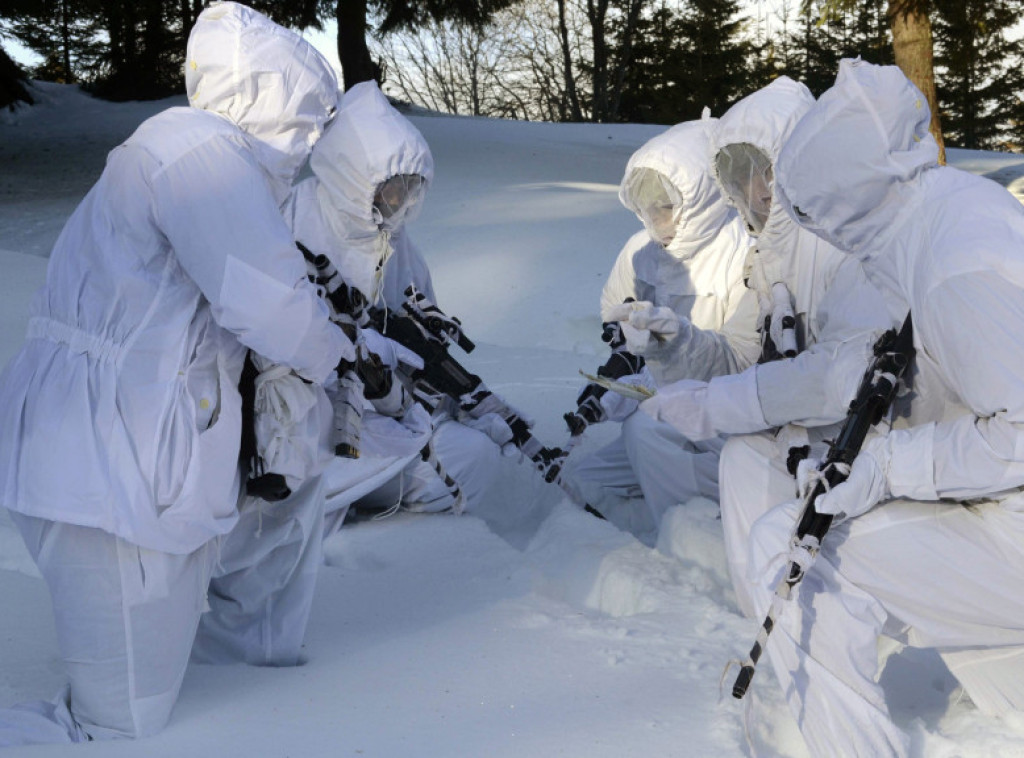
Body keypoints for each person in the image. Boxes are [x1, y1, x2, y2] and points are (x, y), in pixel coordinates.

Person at [0, 2, 347, 744]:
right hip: (106, 465)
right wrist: (336, 360)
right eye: (307, 111)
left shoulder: (195, 153)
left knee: (142, 681)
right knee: (121, 718)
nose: (313, 134)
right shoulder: (200, 154)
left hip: (118, 449)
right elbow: (271, 305)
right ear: (266, 93)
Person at [720, 57, 1024, 757]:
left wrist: (887, 468)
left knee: (790, 549)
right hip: (1004, 519)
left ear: (844, 192)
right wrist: (857, 458)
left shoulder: (956, 263)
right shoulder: (943, 219)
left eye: (814, 206)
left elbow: (1017, 433)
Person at [636, 77, 893, 601]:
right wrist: (678, 341)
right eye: (744, 174)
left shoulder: (838, 242)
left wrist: (723, 403)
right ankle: (755, 592)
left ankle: (781, 605)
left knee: (742, 459)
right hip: (799, 432)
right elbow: (743, 359)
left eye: (768, 169)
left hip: (870, 438)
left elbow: (841, 374)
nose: (758, 189)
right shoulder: (768, 253)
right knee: (684, 441)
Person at [283, 80, 505, 526]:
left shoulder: (396, 243)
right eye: (392, 189)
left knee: (475, 458)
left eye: (409, 190)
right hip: (301, 417)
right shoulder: (290, 217)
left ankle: (378, 519)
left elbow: (425, 345)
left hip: (385, 413)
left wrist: (463, 401)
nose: (400, 202)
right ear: (353, 177)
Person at [562, 120, 761, 542]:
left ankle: (697, 537)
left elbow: (742, 363)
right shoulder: (641, 253)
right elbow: (620, 329)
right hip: (666, 409)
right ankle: (638, 524)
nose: (655, 218)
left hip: (729, 421)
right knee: (585, 480)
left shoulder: (743, 251)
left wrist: (661, 373)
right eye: (647, 207)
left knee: (645, 433)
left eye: (665, 206)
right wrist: (623, 383)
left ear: (700, 198)